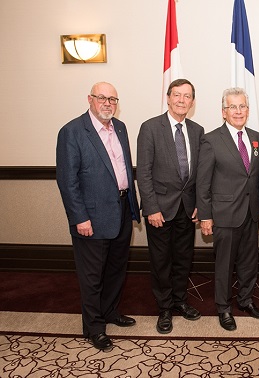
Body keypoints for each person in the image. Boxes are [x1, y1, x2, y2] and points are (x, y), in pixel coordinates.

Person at [56, 82, 140, 351]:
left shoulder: (121, 128)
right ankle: (93, 327)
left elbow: (124, 169)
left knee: (116, 269)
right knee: (92, 276)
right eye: (102, 98)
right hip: (91, 217)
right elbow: (67, 181)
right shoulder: (72, 131)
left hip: (122, 209)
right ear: (90, 99)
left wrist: (133, 206)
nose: (108, 103)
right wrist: (79, 217)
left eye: (113, 99)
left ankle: (110, 311)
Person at [137, 78, 204, 334]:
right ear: (168, 97)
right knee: (161, 261)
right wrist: (151, 207)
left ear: (192, 101)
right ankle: (164, 308)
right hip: (160, 210)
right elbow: (143, 173)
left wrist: (199, 203)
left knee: (183, 260)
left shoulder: (197, 131)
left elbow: (200, 173)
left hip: (187, 209)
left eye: (187, 96)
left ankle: (180, 301)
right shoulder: (150, 128)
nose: (181, 100)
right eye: (177, 95)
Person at [196, 87, 259, 331]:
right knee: (224, 265)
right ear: (224, 112)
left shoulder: (256, 136)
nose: (238, 111)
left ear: (247, 109)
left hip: (251, 212)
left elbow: (255, 176)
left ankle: (245, 300)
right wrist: (205, 216)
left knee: (248, 261)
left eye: (242, 106)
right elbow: (202, 182)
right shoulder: (211, 139)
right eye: (233, 107)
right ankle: (224, 308)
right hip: (224, 214)